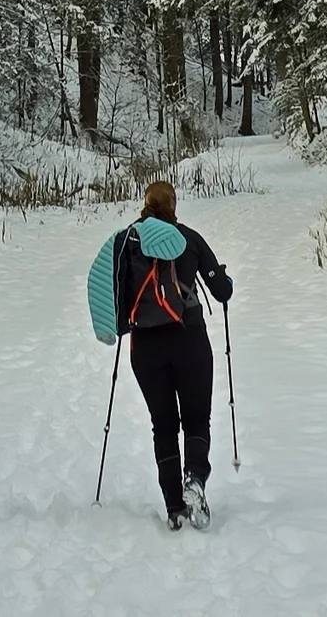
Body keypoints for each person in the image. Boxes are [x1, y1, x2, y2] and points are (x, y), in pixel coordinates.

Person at [87, 180, 233, 531]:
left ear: (145, 205)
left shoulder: (127, 243)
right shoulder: (189, 239)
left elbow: (111, 291)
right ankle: (194, 480)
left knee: (163, 425)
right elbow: (222, 291)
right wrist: (219, 275)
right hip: (190, 341)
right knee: (197, 418)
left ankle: (173, 507)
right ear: (174, 205)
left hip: (146, 347)